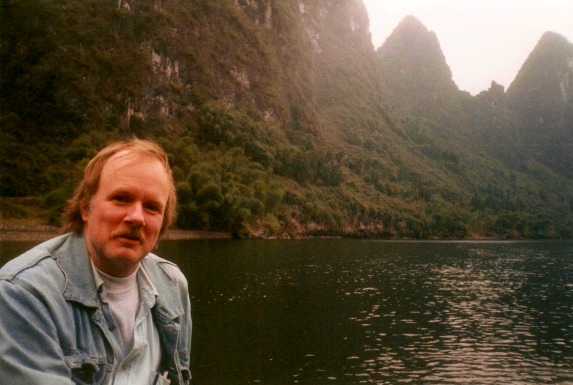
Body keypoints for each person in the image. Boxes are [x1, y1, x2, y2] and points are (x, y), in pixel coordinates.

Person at [0, 138, 192, 385]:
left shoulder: (173, 285)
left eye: (152, 207)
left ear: (163, 223)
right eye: (121, 198)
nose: (137, 217)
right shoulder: (23, 294)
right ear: (86, 208)